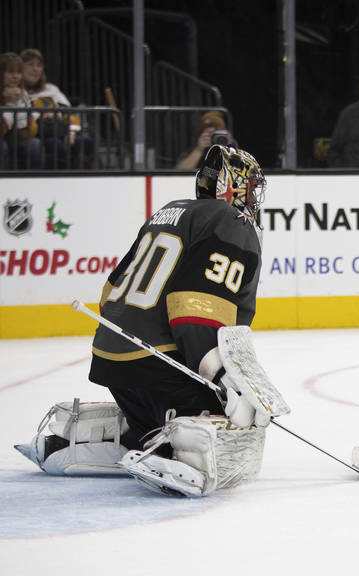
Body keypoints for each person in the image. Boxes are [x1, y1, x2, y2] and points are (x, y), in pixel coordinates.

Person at [15, 145, 273, 496]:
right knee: (234, 414)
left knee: (162, 411)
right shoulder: (232, 222)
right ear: (231, 185)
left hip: (113, 361)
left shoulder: (169, 211)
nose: (254, 197)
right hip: (157, 364)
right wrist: (226, 380)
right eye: (251, 186)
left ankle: (116, 439)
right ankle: (180, 454)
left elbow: (110, 293)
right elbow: (194, 310)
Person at [20, 48, 93, 169]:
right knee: (53, 144)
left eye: (39, 65)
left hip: (60, 130)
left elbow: (70, 115)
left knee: (86, 141)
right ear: (21, 68)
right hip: (36, 134)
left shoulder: (51, 89)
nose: (35, 69)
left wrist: (71, 132)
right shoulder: (18, 92)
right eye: (30, 65)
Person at [1, 51, 43, 169]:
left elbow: (29, 132)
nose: (15, 76)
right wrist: (10, 105)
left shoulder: (23, 94)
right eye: (10, 72)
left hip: (16, 138)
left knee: (34, 144)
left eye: (18, 72)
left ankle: (35, 182)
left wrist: (17, 104)